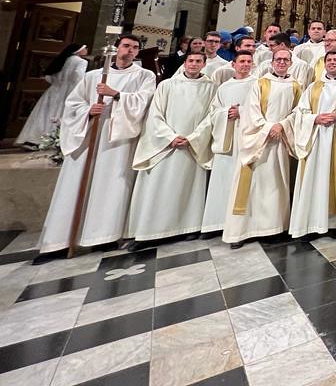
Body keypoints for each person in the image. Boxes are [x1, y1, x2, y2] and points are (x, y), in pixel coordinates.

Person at [37, 35, 156, 256]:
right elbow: (73, 103)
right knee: (74, 185)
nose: (130, 51)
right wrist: (88, 111)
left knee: (111, 186)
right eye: (126, 46)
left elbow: (145, 101)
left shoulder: (144, 76)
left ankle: (104, 237)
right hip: (89, 134)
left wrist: (116, 94)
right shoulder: (93, 76)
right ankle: (59, 241)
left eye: (135, 48)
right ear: (116, 48)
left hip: (119, 139)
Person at [124, 52, 217, 245]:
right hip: (165, 145)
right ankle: (149, 231)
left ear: (204, 64)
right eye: (190, 60)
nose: (193, 64)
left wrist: (192, 138)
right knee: (158, 187)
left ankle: (186, 227)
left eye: (198, 61)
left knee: (187, 188)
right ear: (184, 63)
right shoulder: (167, 85)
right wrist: (171, 137)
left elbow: (211, 117)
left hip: (192, 146)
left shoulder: (211, 88)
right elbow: (155, 114)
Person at [223, 48, 302, 248]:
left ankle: (273, 229)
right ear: (272, 62)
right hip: (258, 140)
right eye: (279, 59)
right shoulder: (260, 83)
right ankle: (241, 231)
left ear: (291, 63)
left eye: (286, 60)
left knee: (276, 183)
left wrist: (281, 126)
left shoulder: (296, 85)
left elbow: (298, 112)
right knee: (251, 184)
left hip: (281, 140)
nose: (282, 62)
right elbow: (250, 111)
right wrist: (268, 128)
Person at [289, 51, 336, 239]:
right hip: (316, 138)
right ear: (324, 63)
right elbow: (301, 112)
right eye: (329, 60)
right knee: (313, 177)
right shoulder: (313, 87)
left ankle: (335, 224)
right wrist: (315, 118)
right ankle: (310, 222)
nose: (332, 63)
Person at [199, 51, 257, 234]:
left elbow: (262, 109)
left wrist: (243, 112)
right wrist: (227, 114)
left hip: (247, 137)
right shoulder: (224, 87)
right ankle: (217, 223)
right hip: (226, 138)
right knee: (223, 179)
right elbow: (214, 112)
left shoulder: (257, 84)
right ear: (233, 64)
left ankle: (240, 224)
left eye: (249, 61)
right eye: (242, 61)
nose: (245, 65)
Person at [16, 43, 88, 147]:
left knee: (44, 114)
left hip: (54, 91)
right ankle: (52, 141)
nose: (86, 50)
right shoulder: (81, 62)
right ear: (78, 50)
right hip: (69, 91)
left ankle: (34, 139)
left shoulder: (64, 59)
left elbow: (49, 77)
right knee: (59, 114)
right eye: (85, 48)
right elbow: (78, 77)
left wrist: (58, 83)